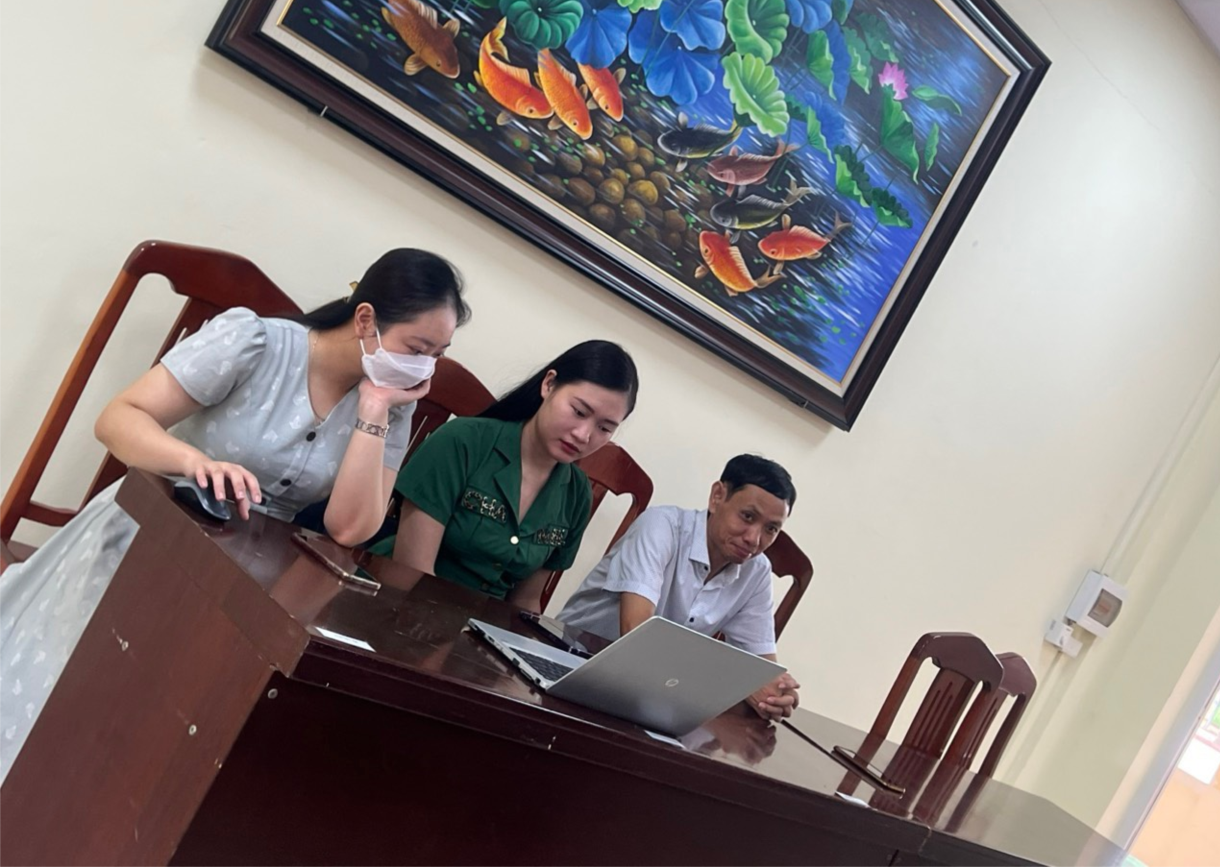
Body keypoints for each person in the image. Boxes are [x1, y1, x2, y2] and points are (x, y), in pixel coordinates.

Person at [0, 247, 469, 784]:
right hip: (151, 534)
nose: (424, 368)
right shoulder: (257, 342)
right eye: (417, 349)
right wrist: (193, 463)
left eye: (438, 355)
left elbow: (350, 528)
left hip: (246, 581)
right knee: (59, 700)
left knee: (170, 732)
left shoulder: (393, 403)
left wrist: (374, 410)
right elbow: (119, 419)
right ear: (365, 319)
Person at [373, 340, 638, 610]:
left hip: (478, 626)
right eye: (579, 412)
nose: (584, 435)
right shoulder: (463, 441)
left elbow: (526, 600)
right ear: (549, 385)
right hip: (397, 606)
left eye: (605, 428)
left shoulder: (577, 494)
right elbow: (410, 570)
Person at [558, 454, 802, 720]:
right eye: (747, 516)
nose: (754, 539)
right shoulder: (661, 526)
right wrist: (740, 681)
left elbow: (762, 668)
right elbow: (636, 635)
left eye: (771, 529)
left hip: (653, 694)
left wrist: (775, 694)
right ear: (717, 497)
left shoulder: (757, 571)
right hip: (572, 661)